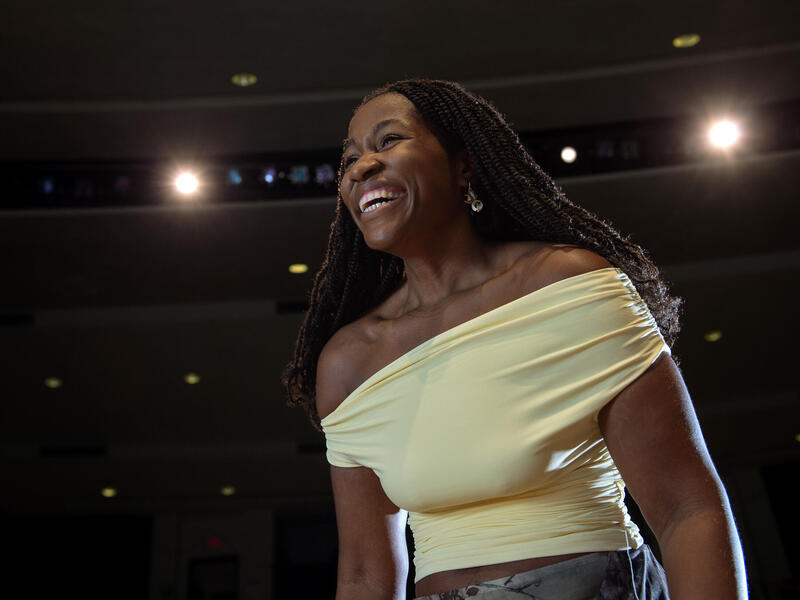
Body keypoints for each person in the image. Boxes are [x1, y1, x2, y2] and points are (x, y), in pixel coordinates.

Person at [281, 78, 746, 599]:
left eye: (389, 141)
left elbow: (689, 509)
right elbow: (364, 577)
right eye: (350, 159)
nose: (362, 166)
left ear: (465, 165)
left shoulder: (568, 286)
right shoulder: (348, 362)